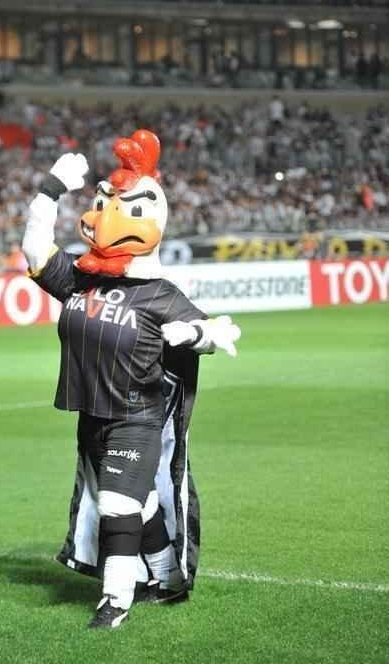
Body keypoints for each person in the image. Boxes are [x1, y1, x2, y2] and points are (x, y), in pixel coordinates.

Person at [22, 130, 241, 629]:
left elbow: (212, 327)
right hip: (92, 412)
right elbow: (35, 251)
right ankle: (166, 576)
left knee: (117, 504)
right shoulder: (80, 278)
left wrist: (196, 334)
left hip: (136, 417)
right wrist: (49, 190)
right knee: (135, 504)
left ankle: (116, 599)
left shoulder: (159, 293)